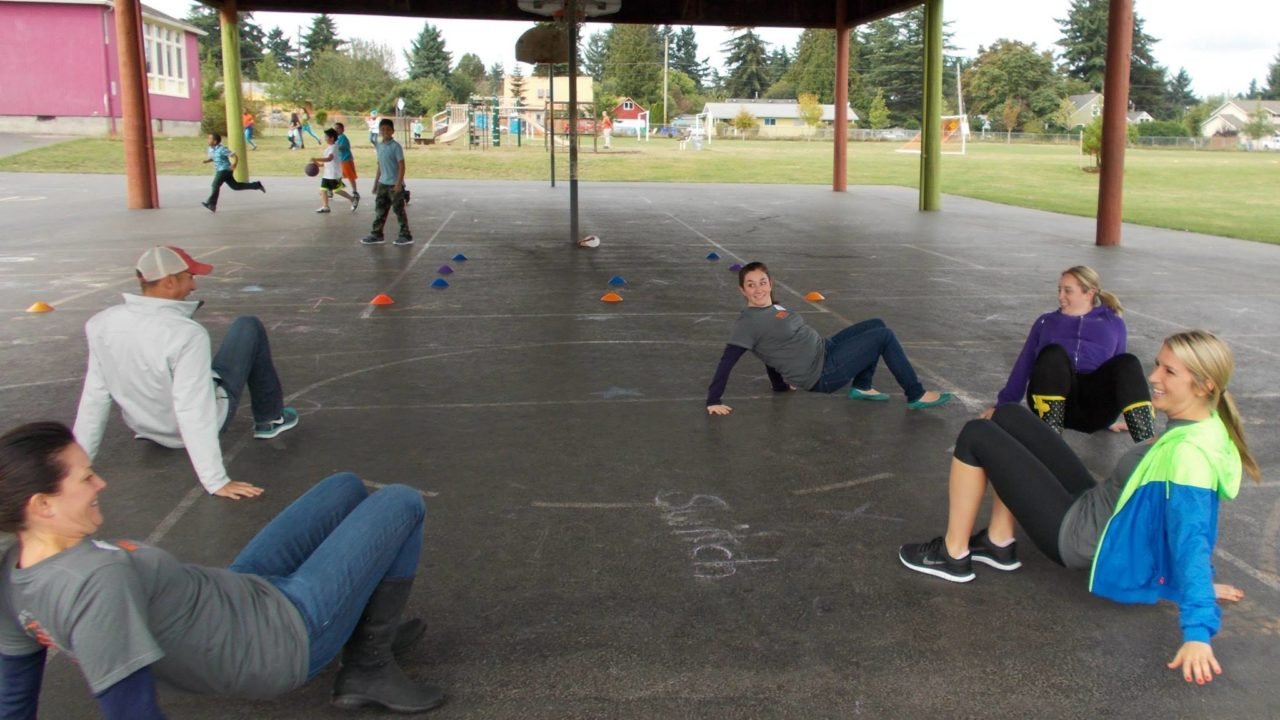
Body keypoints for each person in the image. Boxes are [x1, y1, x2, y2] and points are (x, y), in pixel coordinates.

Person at [0, 422, 446, 717]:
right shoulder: (94, 583)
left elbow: (13, 697)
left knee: (343, 488)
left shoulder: (14, 569)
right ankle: (368, 664)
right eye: (85, 478)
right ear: (42, 506)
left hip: (237, 592)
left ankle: (366, 631)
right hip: (280, 638)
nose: (101, 482)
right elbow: (132, 712)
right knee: (400, 501)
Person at [898, 330, 1259, 684]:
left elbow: (1191, 534)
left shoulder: (1189, 454)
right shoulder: (1204, 425)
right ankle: (997, 542)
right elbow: (1172, 520)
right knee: (1008, 415)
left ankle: (953, 555)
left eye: (1169, 371)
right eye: (1157, 365)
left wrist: (1197, 629)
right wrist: (1188, 582)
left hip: (1077, 536)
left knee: (977, 435)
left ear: (1205, 385)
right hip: (1095, 503)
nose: (1153, 377)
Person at [72, 246, 297, 500]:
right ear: (169, 281)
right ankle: (269, 418)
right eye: (190, 277)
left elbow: (95, 396)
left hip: (146, 426)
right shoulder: (186, 334)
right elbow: (192, 408)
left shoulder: (101, 323)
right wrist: (215, 480)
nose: (194, 287)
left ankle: (155, 428)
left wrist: (78, 465)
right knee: (248, 326)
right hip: (185, 429)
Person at [705, 262, 952, 415]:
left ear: (770, 284)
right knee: (884, 337)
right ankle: (915, 393)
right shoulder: (748, 323)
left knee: (877, 324)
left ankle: (862, 386)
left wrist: (779, 385)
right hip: (823, 373)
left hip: (826, 349)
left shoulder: (774, 310)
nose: (757, 289)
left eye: (762, 282)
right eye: (750, 285)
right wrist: (713, 399)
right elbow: (727, 361)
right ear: (742, 290)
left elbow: (773, 349)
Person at [983, 265, 1154, 443]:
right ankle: (1051, 439)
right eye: (1059, 290)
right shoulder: (1046, 322)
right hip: (1054, 402)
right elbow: (1024, 364)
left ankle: (1147, 443)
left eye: (1067, 291)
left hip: (1094, 408)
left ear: (1089, 293)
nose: (1060, 296)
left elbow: (1119, 373)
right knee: (1052, 354)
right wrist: (1003, 407)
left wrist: (1109, 419)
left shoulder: (1113, 323)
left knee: (1127, 362)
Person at [360, 118, 412, 246]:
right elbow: (379, 166)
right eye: (383, 129)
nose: (385, 131)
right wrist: (376, 183)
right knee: (380, 210)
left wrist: (399, 184)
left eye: (388, 129)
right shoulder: (379, 146)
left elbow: (402, 166)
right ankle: (377, 234)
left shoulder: (396, 147)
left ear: (393, 131)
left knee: (398, 210)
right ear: (379, 131)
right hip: (383, 183)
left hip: (394, 184)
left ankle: (405, 235)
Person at [200, 133, 264, 212]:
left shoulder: (222, 149)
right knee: (235, 186)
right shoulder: (210, 148)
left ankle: (211, 204)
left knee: (215, 185)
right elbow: (214, 157)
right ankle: (257, 185)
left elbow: (234, 155)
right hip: (220, 170)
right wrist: (207, 161)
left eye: (210, 139)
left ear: (215, 141)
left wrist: (234, 164)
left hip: (225, 170)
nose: (208, 140)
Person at [312, 129, 357, 214]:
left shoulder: (334, 147)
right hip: (327, 174)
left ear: (332, 138)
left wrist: (316, 158)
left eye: (326, 137)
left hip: (333, 174)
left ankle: (352, 199)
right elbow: (327, 162)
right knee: (323, 190)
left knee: (336, 190)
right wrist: (318, 164)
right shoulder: (329, 148)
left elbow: (330, 159)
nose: (325, 138)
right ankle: (326, 207)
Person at [333, 121, 361, 207]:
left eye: (338, 128)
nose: (337, 130)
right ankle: (332, 189)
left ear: (342, 129)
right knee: (338, 175)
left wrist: (333, 146)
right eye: (335, 128)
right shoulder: (337, 138)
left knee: (350, 176)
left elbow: (341, 147)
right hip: (341, 160)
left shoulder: (342, 137)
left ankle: (355, 192)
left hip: (346, 160)